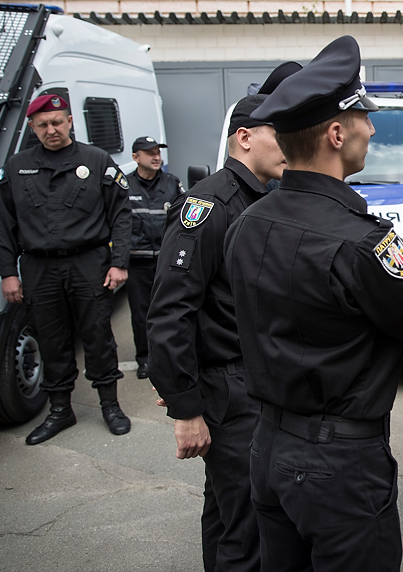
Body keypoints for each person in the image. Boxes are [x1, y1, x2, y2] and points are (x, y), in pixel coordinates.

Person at [223, 35, 403, 572]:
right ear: (336, 133)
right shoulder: (362, 241)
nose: (373, 128)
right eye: (365, 117)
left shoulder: (248, 223)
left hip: (267, 447)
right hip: (338, 465)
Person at [147, 92, 287, 572]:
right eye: (279, 134)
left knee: (229, 514)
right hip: (230, 389)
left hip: (249, 383)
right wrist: (185, 408)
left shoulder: (258, 197)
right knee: (244, 528)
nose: (289, 145)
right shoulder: (211, 203)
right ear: (245, 138)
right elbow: (170, 311)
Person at [0, 94, 132, 445]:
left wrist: (119, 264)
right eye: (42, 124)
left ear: (70, 121)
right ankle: (60, 409)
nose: (51, 129)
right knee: (51, 338)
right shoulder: (16, 166)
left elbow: (120, 215)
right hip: (39, 266)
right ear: (32, 127)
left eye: (57, 122)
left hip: (88, 262)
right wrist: (9, 272)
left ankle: (110, 405)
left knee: (98, 334)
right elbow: (5, 224)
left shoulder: (96, 160)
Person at [125, 136, 184, 380]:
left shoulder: (172, 183)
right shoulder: (124, 186)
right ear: (135, 157)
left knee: (171, 311)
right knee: (141, 313)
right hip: (136, 262)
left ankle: (171, 357)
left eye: (158, 152)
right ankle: (145, 359)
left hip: (165, 261)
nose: (156, 157)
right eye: (149, 153)